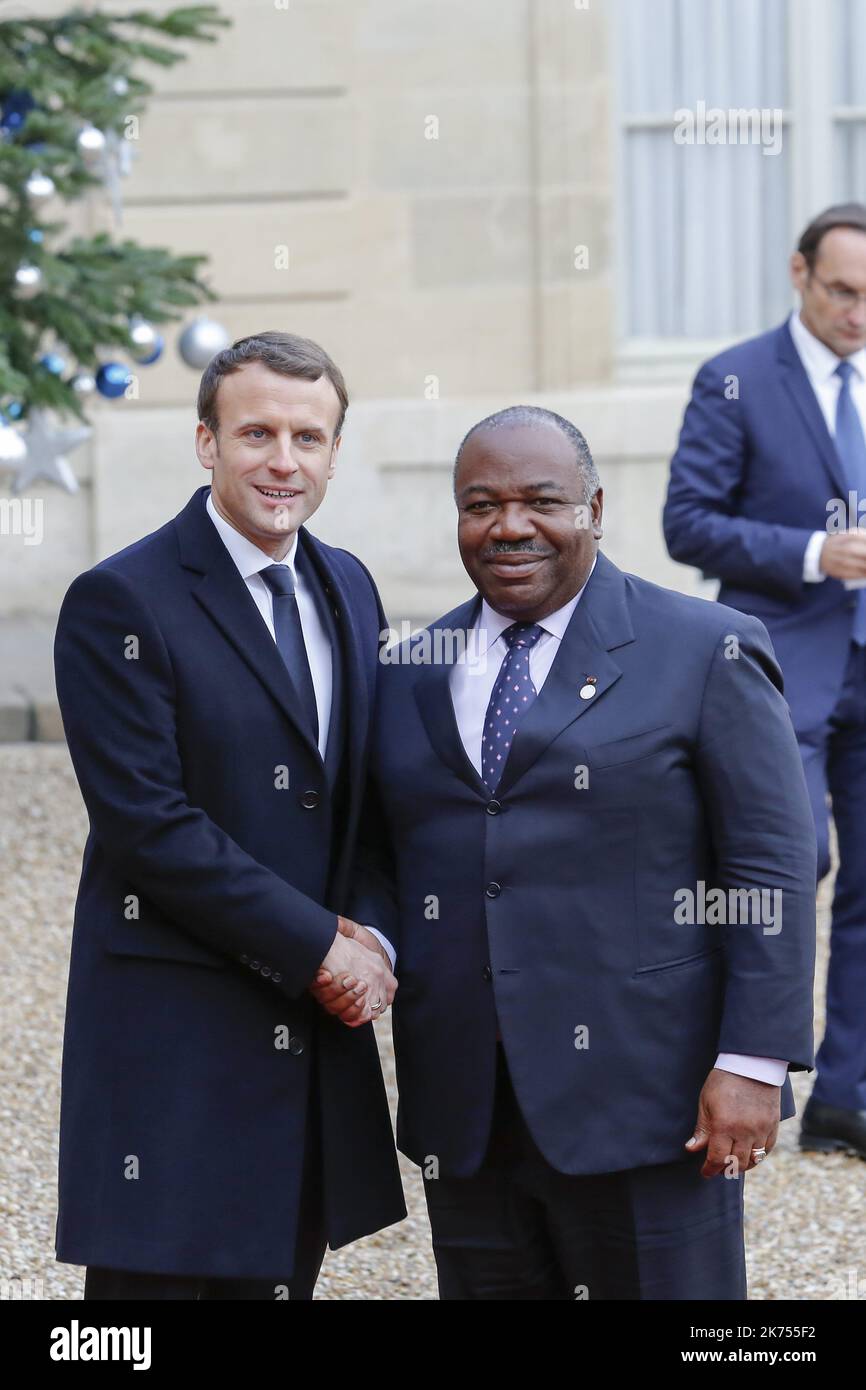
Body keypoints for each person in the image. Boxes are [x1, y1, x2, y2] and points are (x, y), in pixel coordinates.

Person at [318, 405, 816, 1300]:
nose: (509, 527)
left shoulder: (705, 647)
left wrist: (753, 1061)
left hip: (651, 1101)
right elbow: (387, 855)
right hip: (465, 1105)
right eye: (480, 505)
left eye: (540, 500)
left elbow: (772, 865)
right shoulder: (408, 667)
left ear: (594, 506)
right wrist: (374, 945)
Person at [53, 331, 403, 1300]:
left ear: (334, 451)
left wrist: (370, 930)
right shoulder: (119, 597)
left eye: (308, 436)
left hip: (307, 1047)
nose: (282, 461)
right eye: (256, 433)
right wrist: (318, 948)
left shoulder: (350, 585)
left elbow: (370, 796)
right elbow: (148, 823)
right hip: (178, 1043)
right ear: (205, 442)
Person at [664, 205, 866, 1160]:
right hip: (781, 667)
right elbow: (687, 524)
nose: (860, 313)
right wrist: (815, 551)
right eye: (844, 291)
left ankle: (849, 1099)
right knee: (788, 868)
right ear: (799, 273)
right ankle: (747, 1072)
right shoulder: (736, 377)